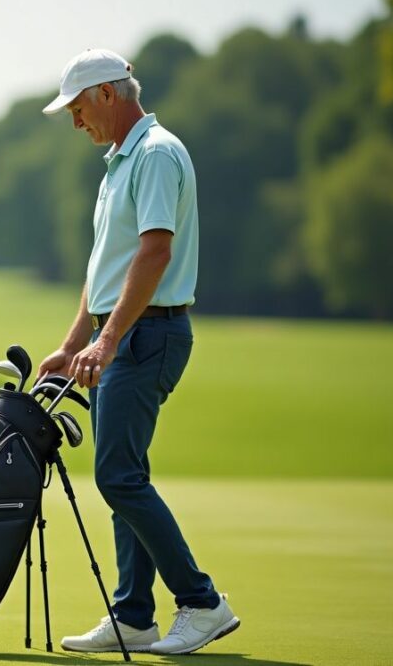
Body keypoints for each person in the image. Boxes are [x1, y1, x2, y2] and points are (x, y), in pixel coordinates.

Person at [35, 48, 240, 655]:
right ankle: (133, 615)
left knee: (118, 476)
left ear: (107, 94)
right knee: (123, 475)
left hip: (148, 335)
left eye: (77, 109)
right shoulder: (117, 163)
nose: (76, 122)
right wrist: (74, 342)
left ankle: (202, 603)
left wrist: (106, 338)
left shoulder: (154, 154)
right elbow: (106, 267)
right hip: (123, 334)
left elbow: (154, 253)